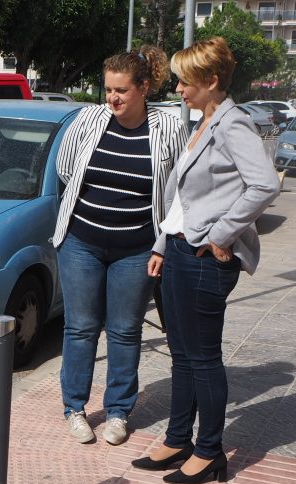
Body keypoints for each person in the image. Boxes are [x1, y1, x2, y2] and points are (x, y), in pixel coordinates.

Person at [132, 37, 280, 484]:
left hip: (204, 257)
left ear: (211, 82)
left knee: (203, 358)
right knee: (181, 356)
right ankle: (178, 439)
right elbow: (183, 196)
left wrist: (221, 234)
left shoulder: (233, 124)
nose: (177, 88)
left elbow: (265, 185)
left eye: (184, 80)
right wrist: (161, 244)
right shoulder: (203, 121)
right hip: (178, 250)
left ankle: (211, 450)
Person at [52, 45, 187, 446]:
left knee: (125, 331)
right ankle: (74, 409)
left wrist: (164, 245)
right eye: (108, 89)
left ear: (143, 88)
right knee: (80, 329)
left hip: (137, 250)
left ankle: (117, 412)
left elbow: (178, 189)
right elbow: (65, 167)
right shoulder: (89, 118)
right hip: (81, 243)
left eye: (121, 90)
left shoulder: (167, 128)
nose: (112, 98)